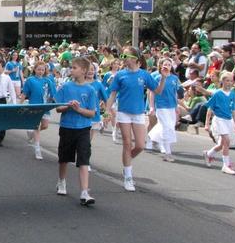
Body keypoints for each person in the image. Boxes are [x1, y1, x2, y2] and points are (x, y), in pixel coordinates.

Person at [105, 47, 169, 192]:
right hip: (123, 113)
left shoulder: (144, 75)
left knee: (140, 145)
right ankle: (128, 176)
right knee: (127, 143)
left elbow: (157, 91)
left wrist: (164, 77)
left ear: (135, 59)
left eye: (125, 55)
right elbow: (112, 94)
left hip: (138, 113)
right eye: (122, 55)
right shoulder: (120, 75)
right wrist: (107, 111)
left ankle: (126, 162)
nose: (123, 58)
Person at [55, 57, 98, 205]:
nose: (71, 70)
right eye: (71, 67)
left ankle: (84, 192)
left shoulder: (90, 90)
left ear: (84, 71)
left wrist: (78, 109)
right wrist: (68, 106)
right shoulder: (66, 87)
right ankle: (61, 181)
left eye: (74, 68)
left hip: (83, 129)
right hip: (67, 127)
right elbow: (58, 108)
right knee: (64, 158)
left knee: (84, 159)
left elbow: (92, 113)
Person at [203, 71, 235, 175]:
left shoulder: (232, 93)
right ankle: (225, 166)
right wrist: (206, 123)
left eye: (231, 81)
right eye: (227, 80)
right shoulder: (217, 93)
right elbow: (210, 108)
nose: (229, 83)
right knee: (226, 141)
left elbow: (233, 109)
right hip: (219, 119)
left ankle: (208, 154)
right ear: (222, 81)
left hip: (228, 120)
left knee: (222, 144)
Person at [21, 61, 56, 160]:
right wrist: (19, 104)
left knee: (45, 126)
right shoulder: (30, 80)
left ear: (45, 70)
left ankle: (31, 133)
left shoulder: (48, 80)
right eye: (39, 69)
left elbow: (54, 94)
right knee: (36, 126)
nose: (40, 71)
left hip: (45, 107)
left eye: (42, 69)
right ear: (35, 70)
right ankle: (37, 149)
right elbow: (24, 93)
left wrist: (57, 103)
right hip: (34, 107)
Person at [147, 58, 181, 162]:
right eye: (165, 64)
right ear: (161, 66)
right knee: (167, 128)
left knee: (168, 127)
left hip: (171, 106)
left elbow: (175, 93)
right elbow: (152, 93)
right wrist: (152, 106)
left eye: (169, 65)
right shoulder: (157, 78)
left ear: (172, 67)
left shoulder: (175, 78)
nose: (167, 66)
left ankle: (150, 136)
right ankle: (168, 153)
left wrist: (176, 106)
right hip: (161, 106)